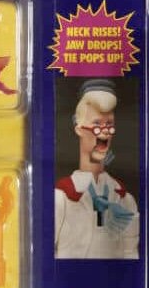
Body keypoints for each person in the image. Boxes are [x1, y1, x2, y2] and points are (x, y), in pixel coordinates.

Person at [55, 79, 139, 259]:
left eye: (109, 125)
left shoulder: (124, 199)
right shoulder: (61, 198)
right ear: (79, 129)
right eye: (97, 125)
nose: (104, 134)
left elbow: (131, 253)